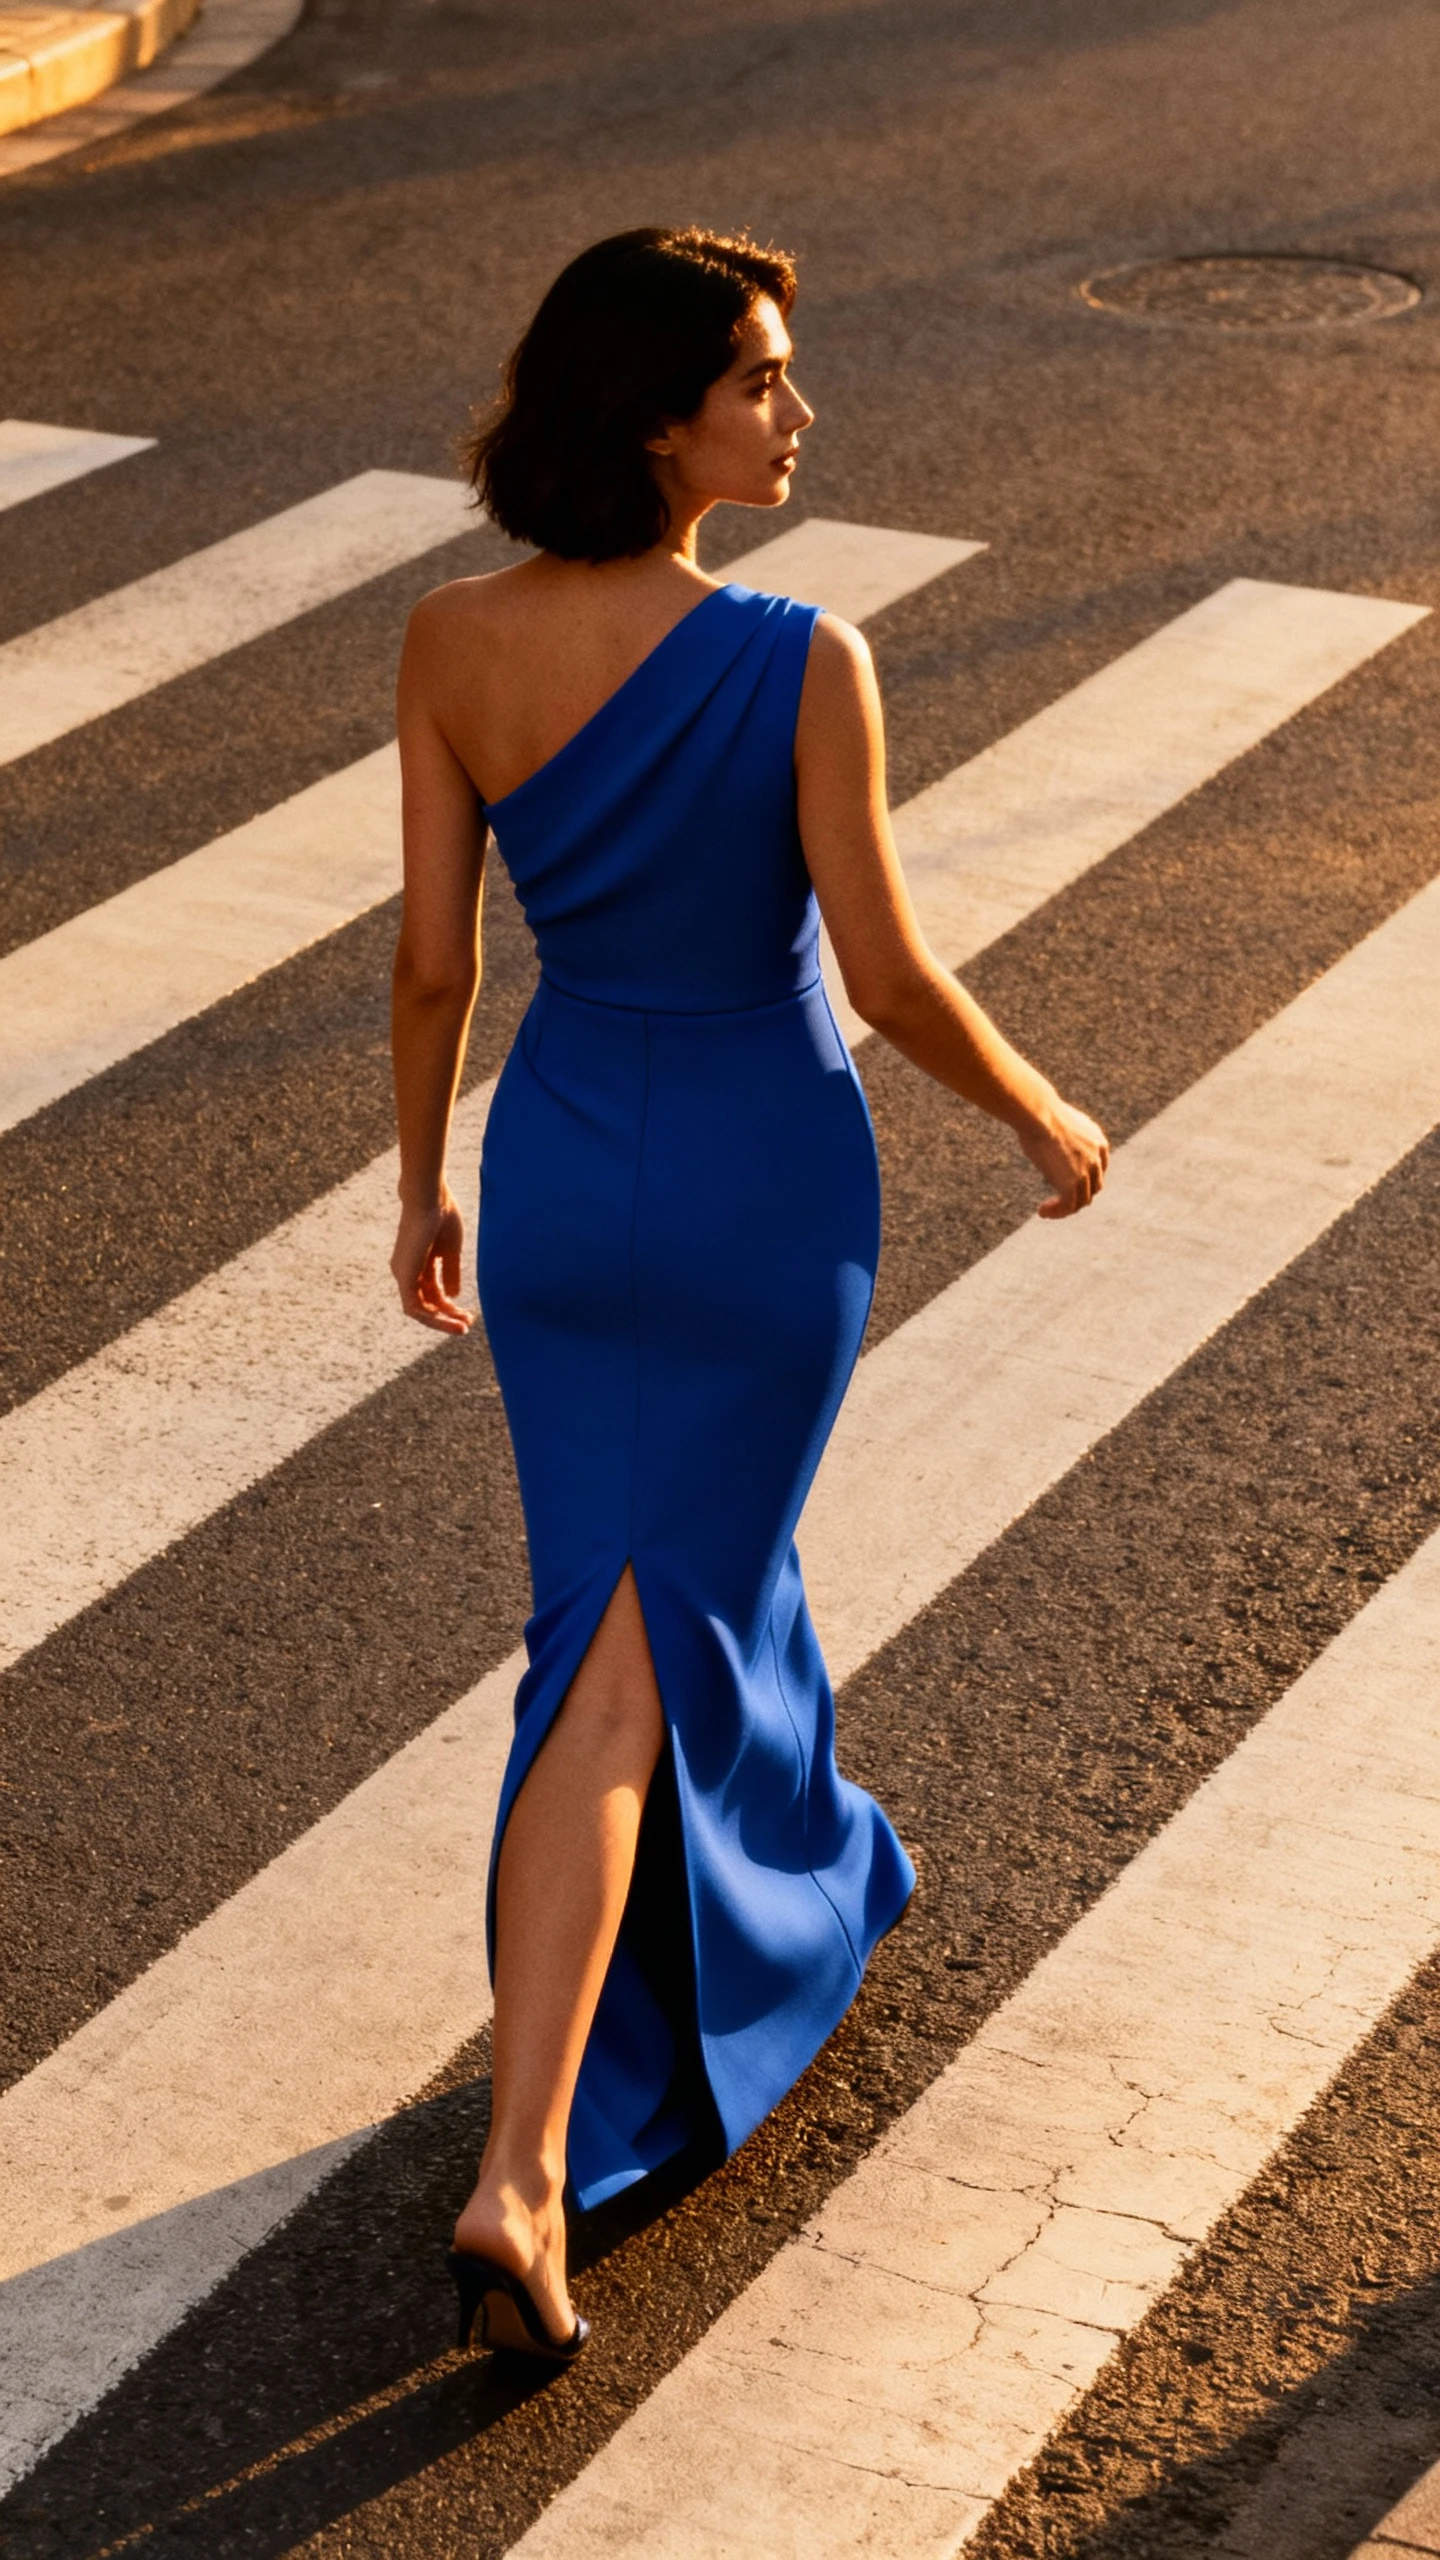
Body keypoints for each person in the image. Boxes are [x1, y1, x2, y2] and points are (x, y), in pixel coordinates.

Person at [390, 225, 1108, 2364]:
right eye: (766, 380)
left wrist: (420, 1180)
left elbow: (438, 960)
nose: (799, 412)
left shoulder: (447, 638)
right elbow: (881, 975)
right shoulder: (804, 656)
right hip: (762, 1186)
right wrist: (1045, 1113)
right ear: (657, 418)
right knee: (641, 1637)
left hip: (566, 1162)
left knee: (629, 1596)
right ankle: (525, 2170)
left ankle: (783, 1886)